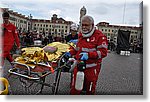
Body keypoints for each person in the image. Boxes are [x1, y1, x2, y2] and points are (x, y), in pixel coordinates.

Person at [65, 15, 108, 95]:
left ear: (92, 25)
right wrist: (70, 52)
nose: (84, 27)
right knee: (75, 89)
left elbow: (103, 52)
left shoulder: (100, 36)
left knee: (89, 90)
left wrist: (89, 55)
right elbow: (78, 49)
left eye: (86, 25)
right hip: (79, 66)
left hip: (92, 68)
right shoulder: (81, 35)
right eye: (82, 25)